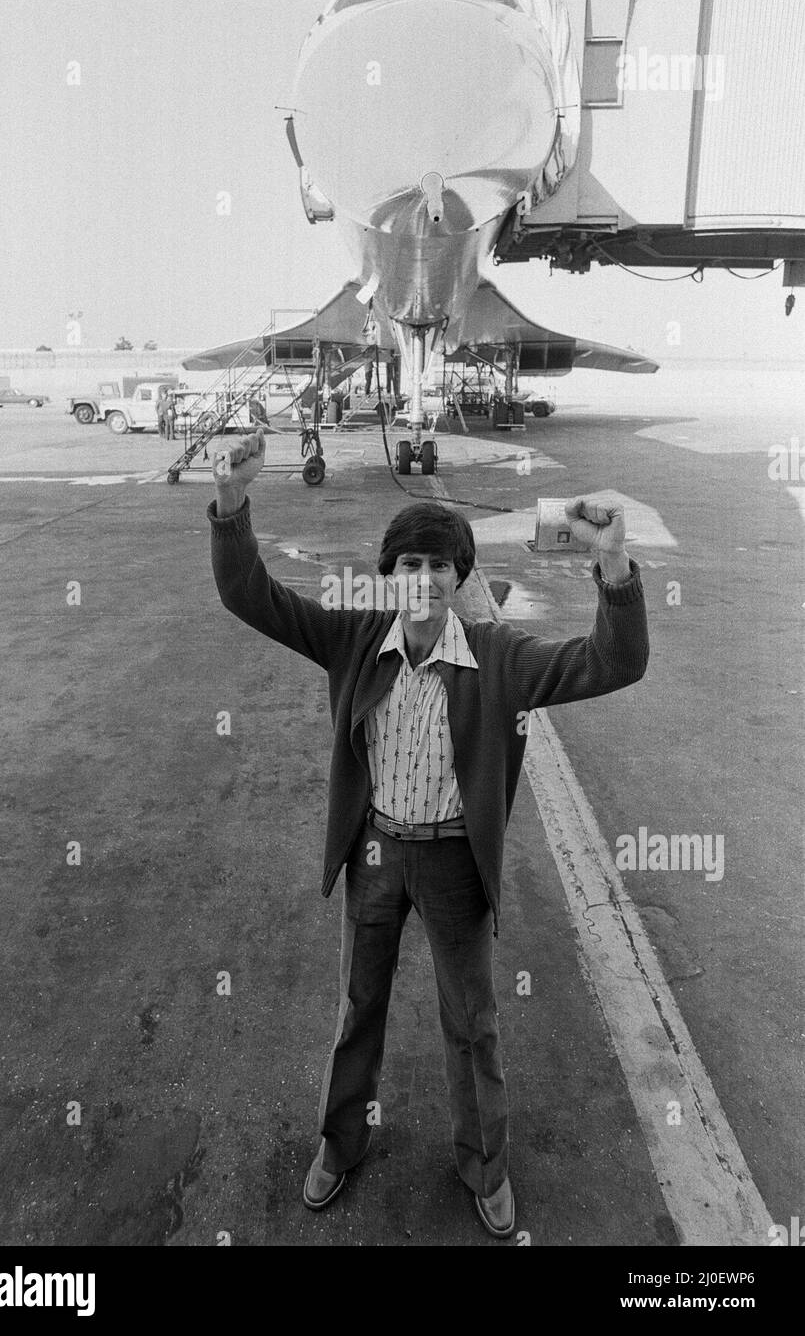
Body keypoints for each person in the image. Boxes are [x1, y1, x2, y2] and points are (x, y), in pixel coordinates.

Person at [207, 428, 649, 1240]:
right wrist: (232, 505)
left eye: (437, 565)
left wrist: (612, 567)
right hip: (374, 855)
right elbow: (251, 596)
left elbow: (612, 664)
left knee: (472, 1021)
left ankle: (485, 1164)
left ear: (457, 578)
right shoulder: (349, 641)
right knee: (356, 1007)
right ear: (390, 574)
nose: (421, 579)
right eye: (407, 565)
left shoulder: (500, 657)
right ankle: (340, 1144)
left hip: (451, 863)